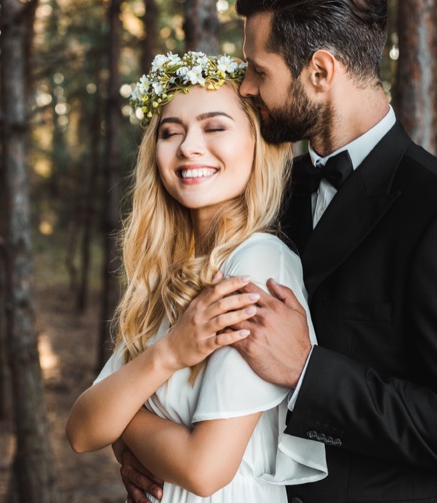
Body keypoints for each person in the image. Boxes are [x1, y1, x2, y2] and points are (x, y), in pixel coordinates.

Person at [118, 0, 437, 502]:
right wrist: (138, 442)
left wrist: (309, 371)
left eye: (259, 71)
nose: (246, 88)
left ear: (320, 71)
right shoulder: (266, 197)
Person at [65, 51, 327, 503]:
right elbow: (83, 429)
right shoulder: (164, 277)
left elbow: (205, 469)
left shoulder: (258, 264)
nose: (188, 146)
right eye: (171, 132)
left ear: (256, 142)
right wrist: (167, 354)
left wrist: (126, 418)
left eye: (214, 127)